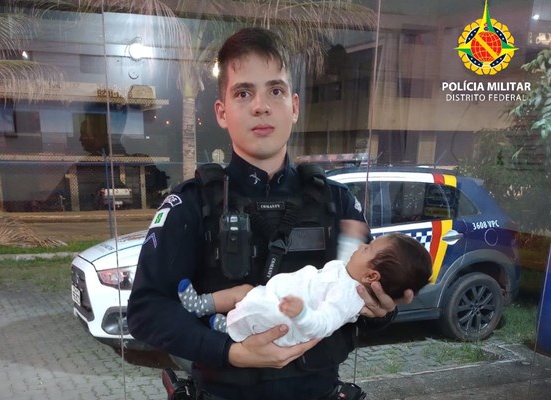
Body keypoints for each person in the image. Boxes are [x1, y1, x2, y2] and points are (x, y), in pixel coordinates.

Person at [127, 27, 414, 400]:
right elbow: (146, 312)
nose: (261, 105)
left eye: (275, 91)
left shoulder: (337, 204)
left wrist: (383, 309)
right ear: (222, 112)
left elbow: (364, 300)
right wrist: (231, 352)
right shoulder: (191, 205)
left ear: (294, 106)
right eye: (243, 92)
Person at [178, 232, 432, 347]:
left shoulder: (349, 297)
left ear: (371, 275)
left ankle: (227, 327)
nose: (362, 245)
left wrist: (301, 314)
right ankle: (201, 305)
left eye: (368, 248)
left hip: (288, 319)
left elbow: (324, 323)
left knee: (256, 311)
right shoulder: (348, 272)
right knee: (243, 292)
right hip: (275, 299)